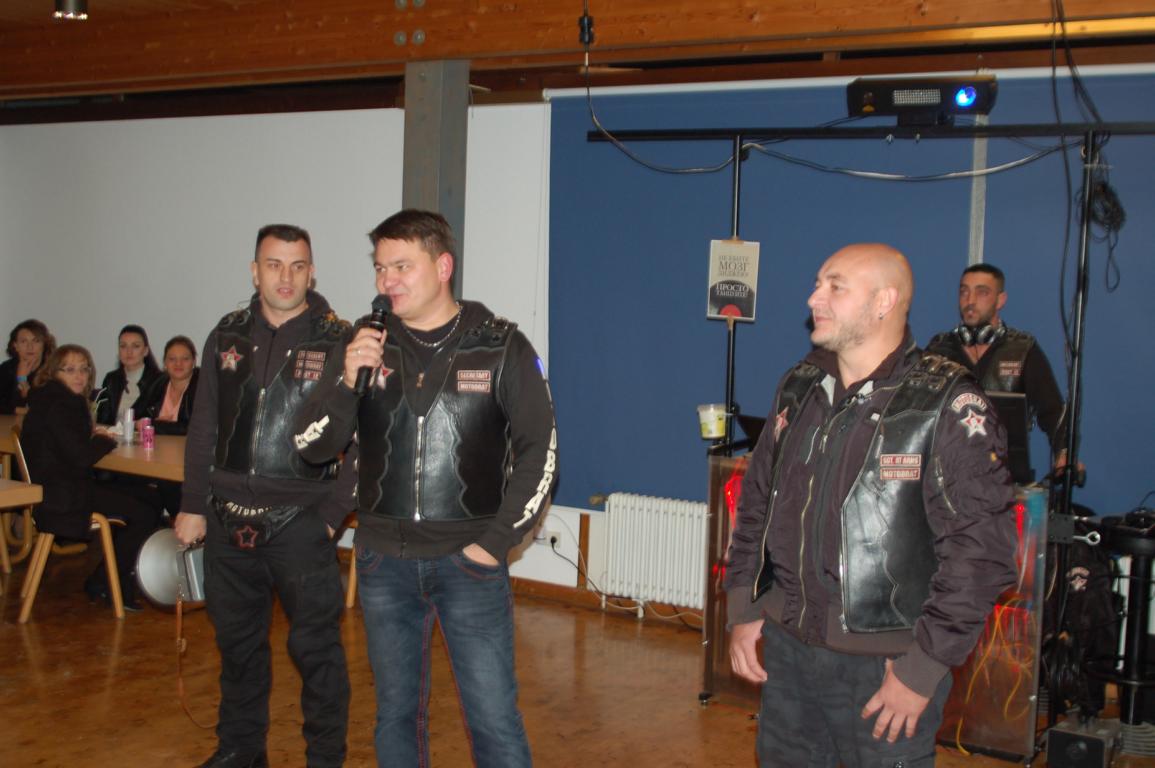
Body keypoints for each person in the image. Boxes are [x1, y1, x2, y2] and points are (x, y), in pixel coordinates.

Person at [725, 244, 1017, 767]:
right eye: (818, 283)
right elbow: (756, 505)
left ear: (884, 302)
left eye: (835, 286)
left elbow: (981, 553)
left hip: (886, 669)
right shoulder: (798, 387)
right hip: (789, 656)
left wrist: (921, 670)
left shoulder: (945, 403)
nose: (814, 298)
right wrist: (744, 609)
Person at [293, 209, 558, 768]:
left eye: (402, 266)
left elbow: (542, 451)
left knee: (493, 719)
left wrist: (493, 545)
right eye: (380, 267)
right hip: (382, 563)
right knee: (395, 715)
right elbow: (311, 447)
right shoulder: (362, 346)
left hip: (470, 565)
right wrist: (345, 382)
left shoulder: (501, 346)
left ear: (443, 267)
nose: (387, 280)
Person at [173, 224, 352, 768]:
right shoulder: (225, 335)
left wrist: (330, 515)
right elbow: (204, 425)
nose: (285, 277)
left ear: (312, 273)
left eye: (297, 266)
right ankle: (240, 751)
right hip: (225, 520)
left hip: (302, 521)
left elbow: (368, 441)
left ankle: (325, 759)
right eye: (274, 264)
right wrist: (192, 504)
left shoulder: (339, 340)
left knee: (317, 654)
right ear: (255, 271)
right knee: (237, 648)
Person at [21, 344, 162, 611]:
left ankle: (109, 577)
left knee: (151, 498)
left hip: (54, 490)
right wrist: (103, 439)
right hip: (64, 497)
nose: (79, 376)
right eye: (70, 369)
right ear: (54, 372)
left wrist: (91, 438)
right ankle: (109, 583)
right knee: (144, 513)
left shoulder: (46, 399)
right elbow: (81, 457)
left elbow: (67, 448)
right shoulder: (63, 404)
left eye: (84, 369)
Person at [925, 263, 1069, 469]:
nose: (970, 301)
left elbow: (1053, 411)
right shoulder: (939, 350)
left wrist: (1063, 453)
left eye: (981, 292)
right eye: (964, 292)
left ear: (1000, 300)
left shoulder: (1022, 350)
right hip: (948, 473)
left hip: (1005, 474)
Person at [94, 324, 162, 427]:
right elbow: (102, 418)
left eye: (136, 346)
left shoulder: (159, 381)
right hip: (112, 434)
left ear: (145, 351)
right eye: (123, 346)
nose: (129, 352)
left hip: (143, 435)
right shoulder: (111, 379)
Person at [138, 335, 200, 435]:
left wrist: (155, 424)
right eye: (172, 359)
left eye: (185, 359)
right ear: (165, 363)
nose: (178, 364)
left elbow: (194, 428)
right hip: (156, 443)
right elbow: (136, 416)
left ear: (194, 362)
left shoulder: (202, 387)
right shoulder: (157, 383)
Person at [0, 318, 55, 414]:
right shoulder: (6, 369)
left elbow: (50, 406)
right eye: (24, 341)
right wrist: (21, 379)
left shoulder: (53, 371)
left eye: (36, 341)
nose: (30, 347)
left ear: (44, 344)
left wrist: (22, 380)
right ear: (15, 345)